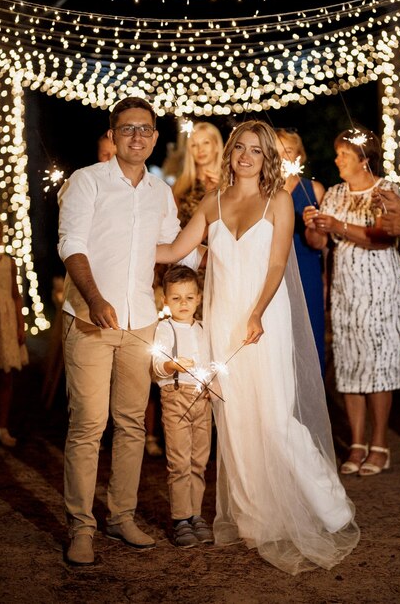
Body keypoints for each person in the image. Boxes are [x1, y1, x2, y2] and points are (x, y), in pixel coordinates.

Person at [156, 120, 360, 575]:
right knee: (237, 420)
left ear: (267, 157)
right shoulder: (212, 203)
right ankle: (255, 520)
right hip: (223, 321)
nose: (245, 156)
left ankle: (331, 508)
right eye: (239, 149)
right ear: (230, 155)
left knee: (273, 418)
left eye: (255, 149)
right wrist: (120, 245)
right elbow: (172, 252)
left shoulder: (279, 202)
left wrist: (257, 313)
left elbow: (276, 264)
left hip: (263, 320)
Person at [57, 97, 201, 566]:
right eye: (127, 129)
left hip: (141, 320)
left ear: (155, 137)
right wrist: (96, 299)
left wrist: (217, 249)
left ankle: (122, 516)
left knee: (132, 424)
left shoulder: (160, 191)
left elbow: (170, 248)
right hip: (90, 318)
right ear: (113, 134)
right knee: (88, 425)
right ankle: (81, 526)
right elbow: (72, 245)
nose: (136, 137)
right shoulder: (87, 181)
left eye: (145, 129)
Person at [303, 127, 400, 477]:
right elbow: (320, 244)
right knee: (349, 363)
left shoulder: (385, 191)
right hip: (346, 289)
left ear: (364, 159)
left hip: (380, 289)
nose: (337, 160)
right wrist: (314, 225)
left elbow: (379, 239)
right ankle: (358, 442)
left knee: (378, 364)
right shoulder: (333, 193)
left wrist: (337, 225)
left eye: (344, 155)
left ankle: (380, 444)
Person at [152, 265, 213, 548]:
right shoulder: (164, 329)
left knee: (199, 461)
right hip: (176, 397)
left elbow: (211, 362)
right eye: (176, 298)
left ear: (199, 298)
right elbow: (156, 365)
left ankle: (196, 514)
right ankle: (181, 519)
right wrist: (170, 364)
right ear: (165, 301)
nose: (183, 303)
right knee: (180, 461)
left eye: (189, 297)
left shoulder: (203, 329)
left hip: (203, 399)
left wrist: (213, 383)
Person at [275, 128, 326, 373]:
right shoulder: (264, 190)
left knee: (310, 336)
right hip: (273, 271)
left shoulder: (314, 190)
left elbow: (320, 243)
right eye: (275, 152)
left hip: (306, 271)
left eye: (288, 151)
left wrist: (312, 227)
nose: (282, 157)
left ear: (299, 155)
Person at [0, 219, 28, 447]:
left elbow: (16, 296)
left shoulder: (9, 263)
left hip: (5, 323)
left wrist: (20, 325)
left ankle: (2, 426)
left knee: (6, 375)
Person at [173, 121, 224, 228]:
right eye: (194, 145)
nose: (200, 149)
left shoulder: (231, 183)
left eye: (206, 142)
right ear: (190, 150)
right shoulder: (181, 186)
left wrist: (222, 189)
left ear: (216, 146)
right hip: (185, 243)